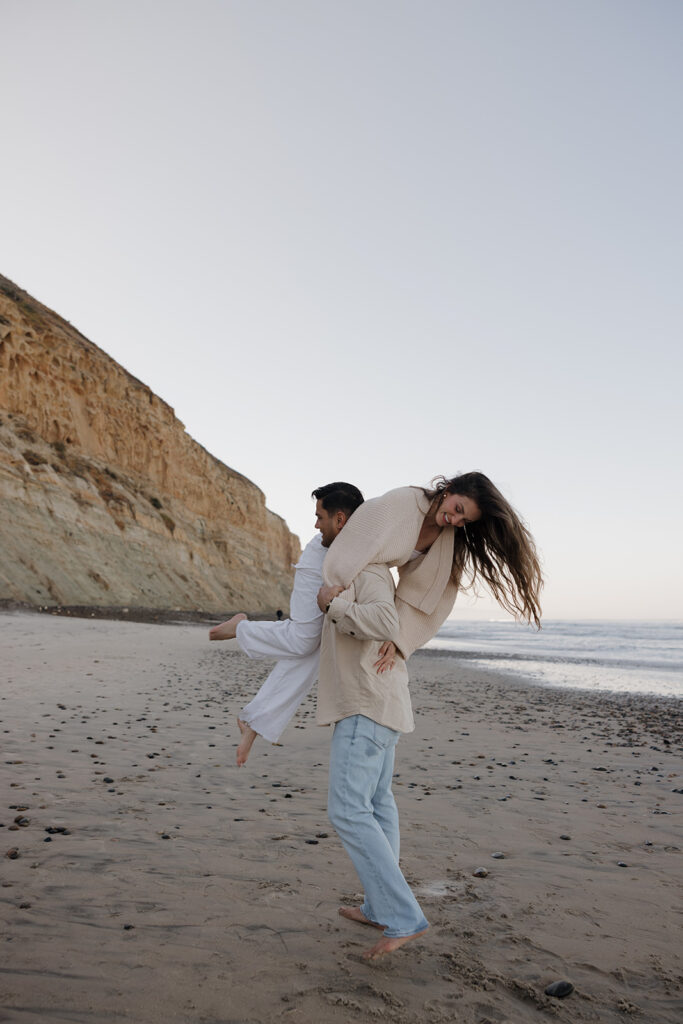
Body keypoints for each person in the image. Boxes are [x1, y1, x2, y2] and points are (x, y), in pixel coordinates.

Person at [317, 472, 542, 960]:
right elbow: (394, 613)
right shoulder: (398, 515)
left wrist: (333, 605)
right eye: (458, 507)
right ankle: (380, 907)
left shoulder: (372, 574)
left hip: (368, 699)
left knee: (348, 810)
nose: (455, 518)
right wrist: (395, 642)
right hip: (388, 699)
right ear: (448, 489)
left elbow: (392, 616)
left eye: (465, 518)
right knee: (377, 803)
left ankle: (401, 916)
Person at [208, 482, 364, 765]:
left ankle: (254, 722)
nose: (316, 524)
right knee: (303, 639)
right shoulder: (321, 546)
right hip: (315, 568)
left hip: (333, 578)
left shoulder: (366, 533)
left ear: (339, 519)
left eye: (320, 517)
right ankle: (241, 628)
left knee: (312, 651)